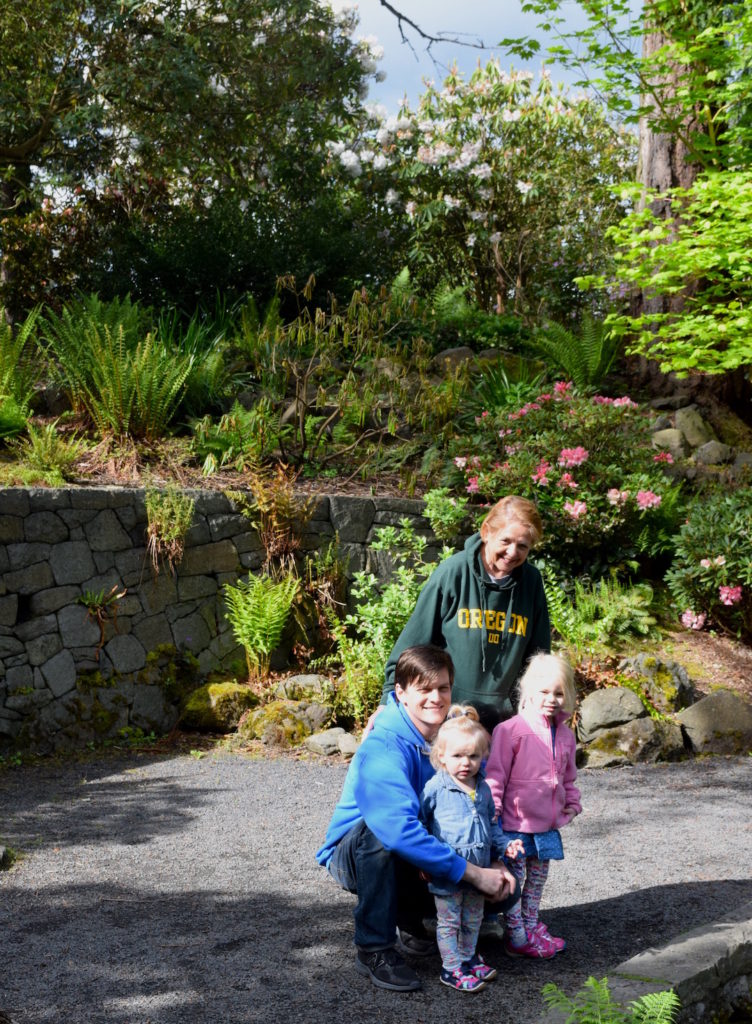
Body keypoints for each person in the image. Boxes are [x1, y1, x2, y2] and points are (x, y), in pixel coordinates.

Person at [316, 645, 518, 993]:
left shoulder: (455, 738)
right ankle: (374, 948)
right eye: (423, 689)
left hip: (422, 850)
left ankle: (413, 922)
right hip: (357, 856)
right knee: (380, 834)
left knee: (507, 888)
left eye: (442, 688)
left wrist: (496, 861)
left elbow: (480, 804)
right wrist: (473, 874)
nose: (435, 698)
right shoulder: (383, 747)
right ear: (401, 693)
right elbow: (398, 832)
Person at [382, 496, 550, 734]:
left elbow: (538, 657)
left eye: (523, 546)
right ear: (486, 533)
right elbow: (411, 648)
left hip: (506, 722)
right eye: (506, 541)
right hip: (451, 718)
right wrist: (388, 702)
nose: (513, 553)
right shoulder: (452, 574)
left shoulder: (531, 582)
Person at [420, 705, 524, 993]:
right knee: (449, 921)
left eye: (473, 756)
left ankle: (467, 959)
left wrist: (505, 847)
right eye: (457, 756)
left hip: (480, 869)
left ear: (483, 756)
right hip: (448, 871)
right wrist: (424, 862)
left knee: (473, 919)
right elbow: (420, 824)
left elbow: (492, 827)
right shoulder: (436, 788)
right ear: (441, 756)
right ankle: (451, 968)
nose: (466, 763)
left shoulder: (483, 788)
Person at [485, 652, 582, 959]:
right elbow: (495, 776)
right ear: (528, 691)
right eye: (544, 692)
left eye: (558, 693)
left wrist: (572, 803)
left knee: (537, 881)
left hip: (547, 826)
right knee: (514, 881)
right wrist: (494, 813)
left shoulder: (566, 735)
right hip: (516, 824)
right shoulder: (511, 730)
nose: (551, 699)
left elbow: (568, 776)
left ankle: (530, 924)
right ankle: (515, 934)